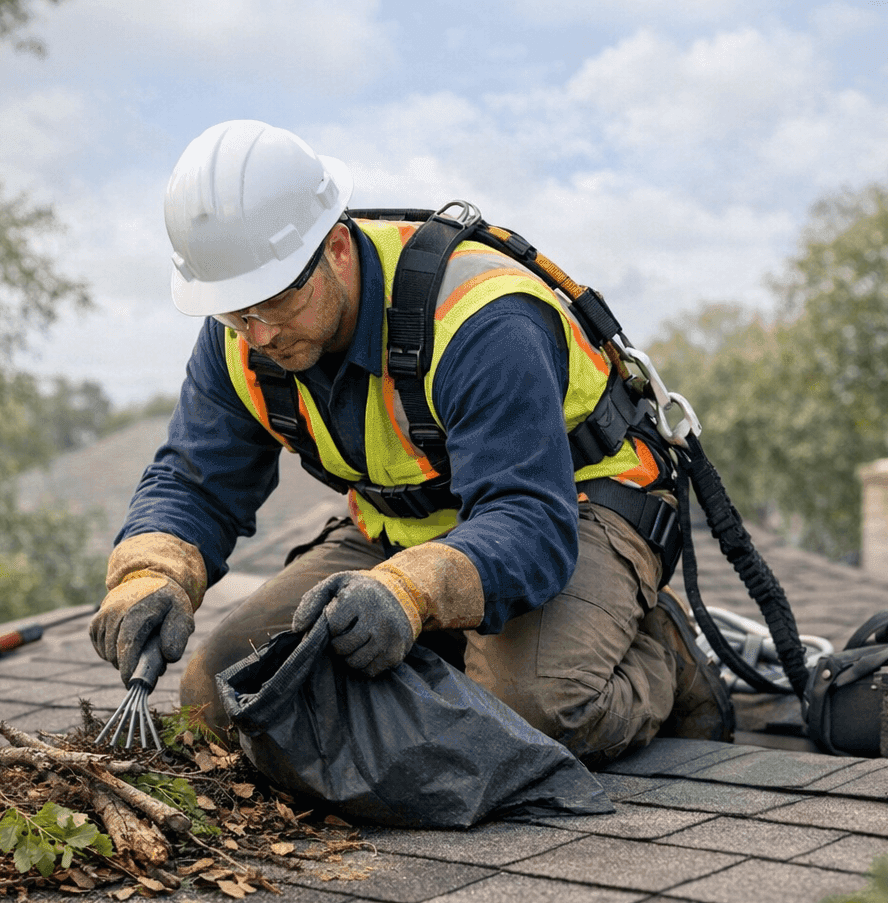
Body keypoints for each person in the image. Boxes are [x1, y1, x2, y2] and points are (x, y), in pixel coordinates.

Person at [90, 119, 733, 767]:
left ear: (337, 249)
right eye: (235, 311)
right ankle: (467, 633)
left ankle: (658, 653)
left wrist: (412, 593)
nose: (257, 336)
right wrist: (150, 575)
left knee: (533, 717)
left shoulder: (483, 319)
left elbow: (529, 524)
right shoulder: (243, 336)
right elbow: (195, 482)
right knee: (222, 695)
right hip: (409, 528)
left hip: (575, 507)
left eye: (274, 303)